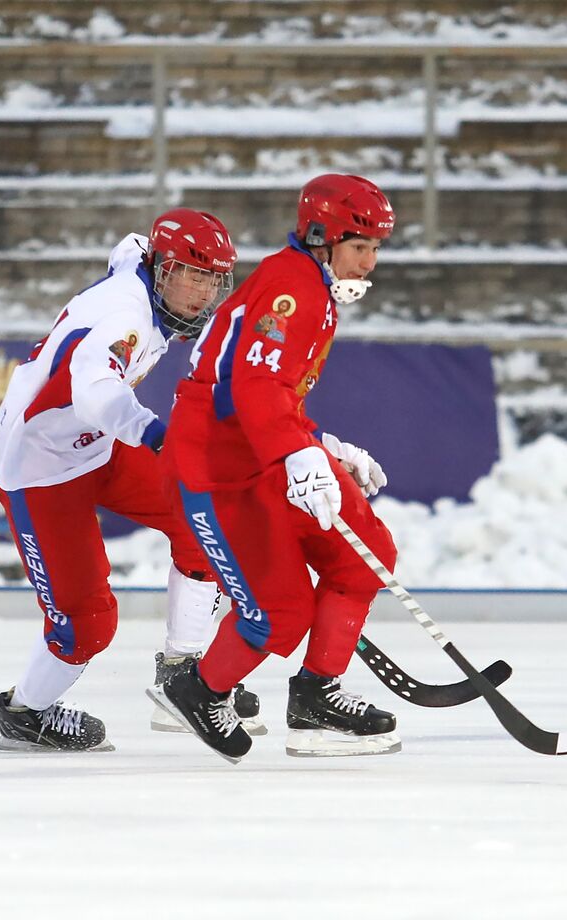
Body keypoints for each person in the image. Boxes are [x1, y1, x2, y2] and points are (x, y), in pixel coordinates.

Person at [0, 209, 263, 752]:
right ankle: (27, 714)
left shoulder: (142, 267)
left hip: (96, 447)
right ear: (160, 270)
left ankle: (181, 674)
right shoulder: (125, 318)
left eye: (212, 279)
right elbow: (96, 394)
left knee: (203, 518)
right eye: (190, 274)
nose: (202, 294)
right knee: (87, 623)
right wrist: (155, 432)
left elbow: (132, 245)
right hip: (42, 466)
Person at [150, 174, 400, 763]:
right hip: (219, 467)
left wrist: (320, 443)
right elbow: (255, 386)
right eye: (360, 246)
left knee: (365, 553)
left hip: (266, 449)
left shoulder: (309, 283)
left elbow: (267, 389)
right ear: (322, 237)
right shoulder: (294, 288)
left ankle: (316, 697)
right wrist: (298, 452)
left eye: (375, 248)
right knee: (278, 613)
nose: (369, 262)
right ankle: (199, 688)